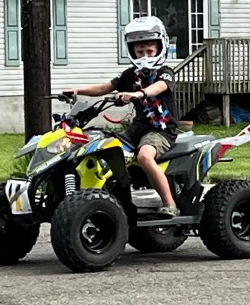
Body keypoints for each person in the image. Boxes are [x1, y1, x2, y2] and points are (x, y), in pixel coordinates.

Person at [65, 15, 182, 217]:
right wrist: (76, 90)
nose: (145, 55)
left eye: (149, 51)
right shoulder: (130, 75)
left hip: (160, 131)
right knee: (106, 151)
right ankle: (119, 204)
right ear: (132, 51)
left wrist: (138, 94)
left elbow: (160, 87)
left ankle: (170, 203)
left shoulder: (165, 72)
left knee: (144, 156)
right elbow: (104, 87)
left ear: (160, 48)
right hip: (136, 129)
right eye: (139, 51)